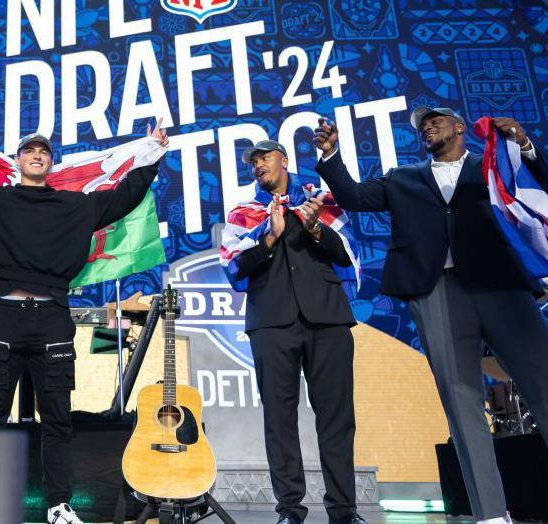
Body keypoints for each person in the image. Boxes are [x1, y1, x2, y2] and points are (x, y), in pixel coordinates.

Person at [0, 83, 168, 524]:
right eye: (29, 150)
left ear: (50, 163)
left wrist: (152, 153)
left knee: (57, 419)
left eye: (43, 152)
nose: (36, 155)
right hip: (3, 318)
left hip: (52, 319)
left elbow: (125, 197)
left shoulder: (75, 206)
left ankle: (58, 506)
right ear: (16, 160)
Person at [313, 107, 548, 524]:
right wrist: (331, 156)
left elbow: (537, 187)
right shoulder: (402, 178)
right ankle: (492, 514)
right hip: (436, 290)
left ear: (460, 127)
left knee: (544, 383)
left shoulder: (493, 166)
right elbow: (354, 197)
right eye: (422, 125)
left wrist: (526, 146)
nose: (427, 127)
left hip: (501, 284)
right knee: (461, 402)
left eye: (436, 120)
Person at [219, 140, 364, 524]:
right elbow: (234, 267)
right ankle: (290, 511)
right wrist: (269, 236)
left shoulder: (320, 199)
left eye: (263, 158)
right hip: (271, 321)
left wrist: (315, 228)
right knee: (279, 419)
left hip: (328, 318)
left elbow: (346, 253)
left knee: (336, 417)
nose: (257, 166)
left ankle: (344, 511)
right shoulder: (244, 213)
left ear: (284, 160)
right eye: (252, 162)